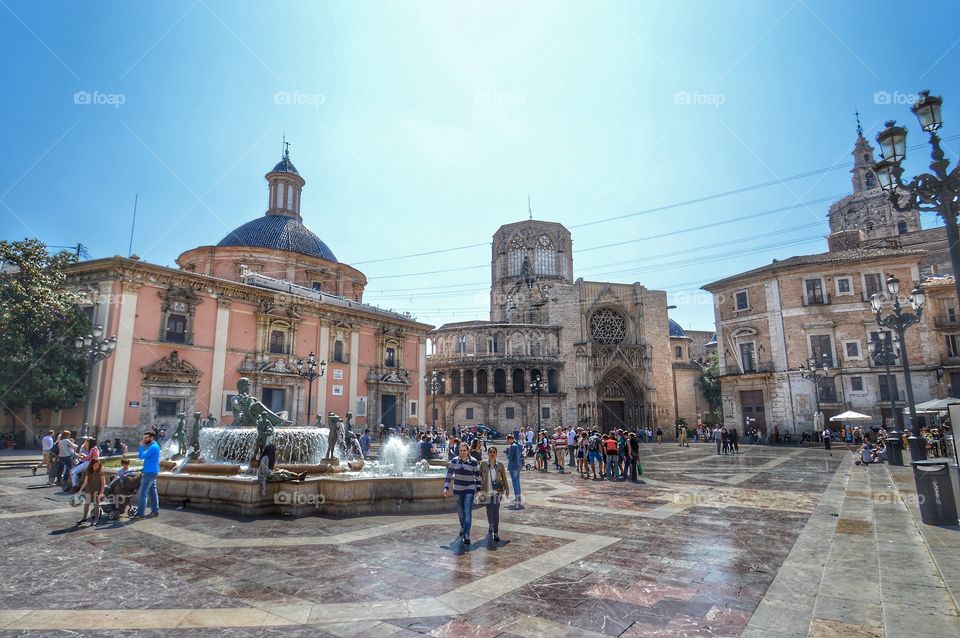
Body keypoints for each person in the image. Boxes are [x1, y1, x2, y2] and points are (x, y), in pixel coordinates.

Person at [443, 443, 481, 545]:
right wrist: (446, 487)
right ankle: (463, 527)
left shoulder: (473, 462)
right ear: (459, 451)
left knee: (467, 511)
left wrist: (478, 490)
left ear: (468, 451)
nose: (462, 452)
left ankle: (466, 534)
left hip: (469, 488)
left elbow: (478, 477)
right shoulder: (454, 460)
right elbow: (449, 474)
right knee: (460, 512)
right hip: (457, 490)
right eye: (461, 450)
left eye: (464, 450)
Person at [479, 446, 509, 542]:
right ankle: (490, 524)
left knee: (495, 511)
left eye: (494, 452)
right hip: (486, 491)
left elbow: (504, 477)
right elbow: (479, 477)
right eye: (490, 452)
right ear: (488, 453)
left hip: (497, 492)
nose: (492, 453)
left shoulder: (500, 464)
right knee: (489, 510)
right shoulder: (483, 464)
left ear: (496, 454)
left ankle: (495, 532)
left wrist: (507, 489)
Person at [134, 430, 161, 520]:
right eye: (143, 438)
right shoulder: (154, 446)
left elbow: (141, 456)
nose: (144, 440)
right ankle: (155, 511)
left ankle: (140, 514)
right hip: (152, 471)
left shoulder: (153, 447)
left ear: (152, 438)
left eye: (146, 438)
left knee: (143, 492)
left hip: (149, 472)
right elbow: (150, 460)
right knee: (153, 492)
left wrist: (141, 447)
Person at [77, 459, 105, 526]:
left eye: (98, 465)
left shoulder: (101, 473)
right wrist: (80, 490)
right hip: (89, 490)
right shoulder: (88, 472)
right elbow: (85, 482)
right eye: (95, 465)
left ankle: (96, 519)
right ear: (92, 465)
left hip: (97, 491)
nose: (97, 467)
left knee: (96, 505)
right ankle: (84, 518)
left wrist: (101, 493)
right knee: (86, 505)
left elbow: (103, 484)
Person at [505, 434, 523, 506]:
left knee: (515, 482)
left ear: (510, 439)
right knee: (517, 482)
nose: (507, 441)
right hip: (518, 465)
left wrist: (507, 453)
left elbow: (510, 457)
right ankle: (518, 496)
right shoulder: (518, 445)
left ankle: (517, 497)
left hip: (513, 466)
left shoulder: (513, 446)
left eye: (507, 440)